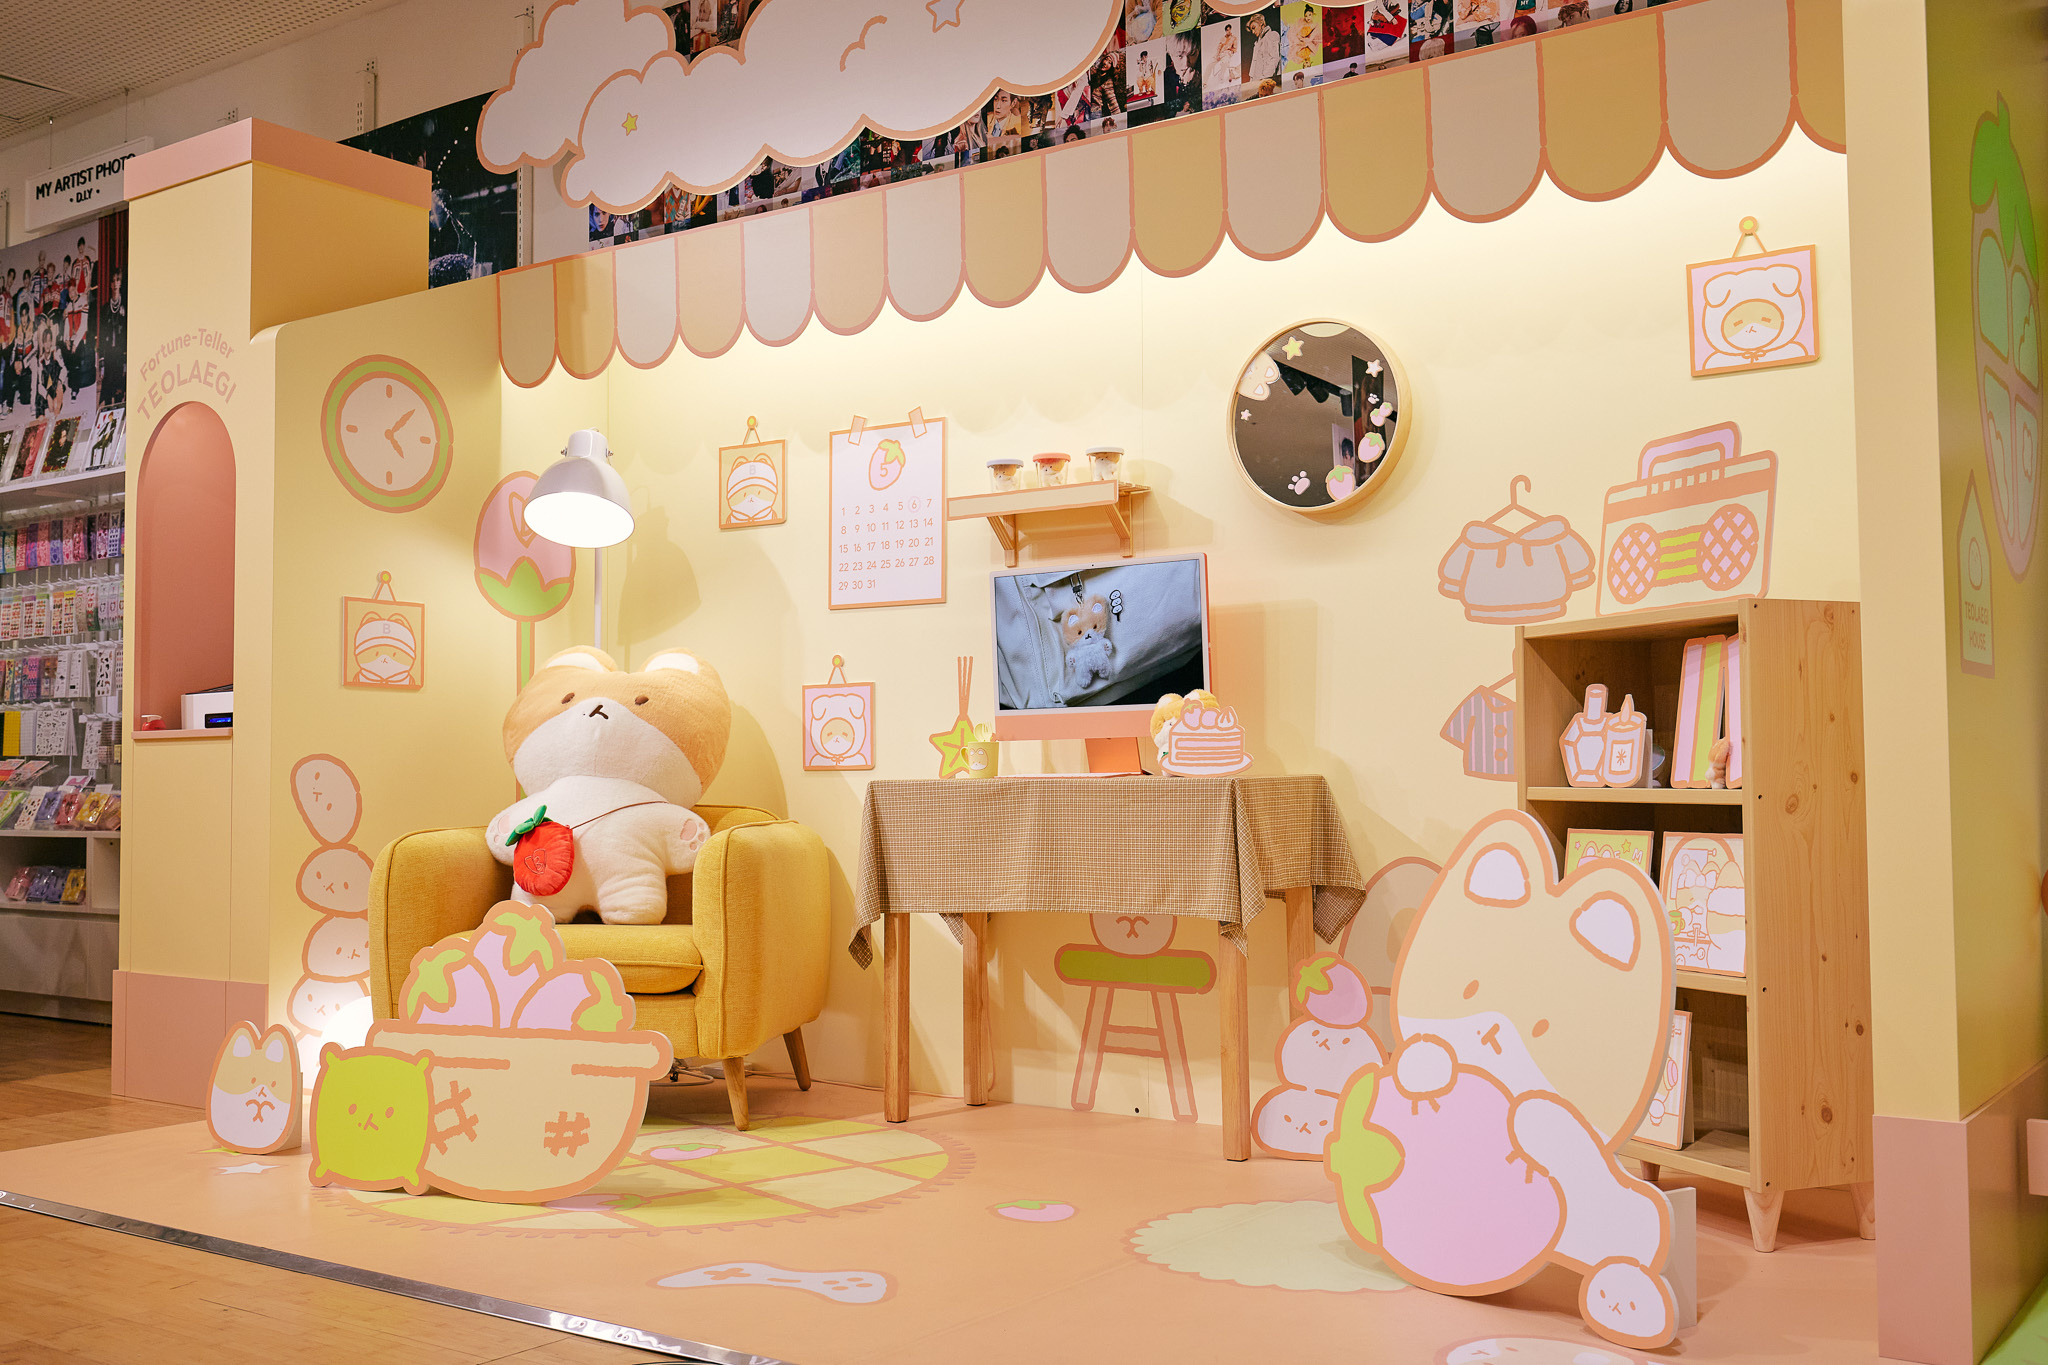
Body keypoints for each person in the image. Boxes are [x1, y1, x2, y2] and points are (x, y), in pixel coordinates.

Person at [1245, 12, 1283, 83]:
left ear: (1261, 23)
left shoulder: (1272, 35)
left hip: (1267, 82)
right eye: (1251, 30)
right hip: (1256, 82)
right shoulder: (1257, 44)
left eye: (1254, 27)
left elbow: (1274, 60)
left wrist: (1265, 80)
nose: (1253, 32)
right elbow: (1254, 68)